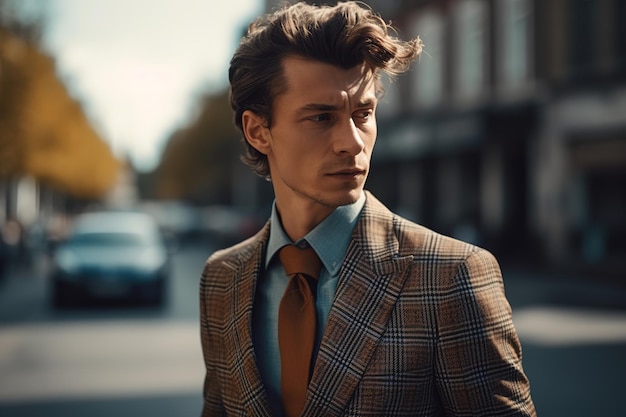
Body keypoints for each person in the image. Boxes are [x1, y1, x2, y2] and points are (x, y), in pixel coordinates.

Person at [199, 2, 536, 416]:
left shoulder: (451, 276)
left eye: (363, 114)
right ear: (258, 131)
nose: (353, 143)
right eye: (321, 118)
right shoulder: (221, 279)